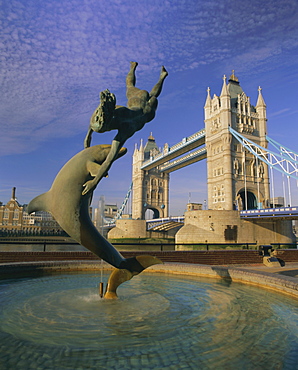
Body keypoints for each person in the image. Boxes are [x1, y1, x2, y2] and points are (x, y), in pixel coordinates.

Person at [82, 62, 168, 195]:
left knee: (152, 95)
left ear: (109, 127)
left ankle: (160, 76)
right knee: (132, 86)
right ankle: (152, 74)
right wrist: (89, 135)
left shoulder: (126, 129)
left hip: (146, 111)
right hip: (139, 103)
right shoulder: (116, 110)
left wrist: (94, 182)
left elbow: (109, 160)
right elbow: (99, 117)